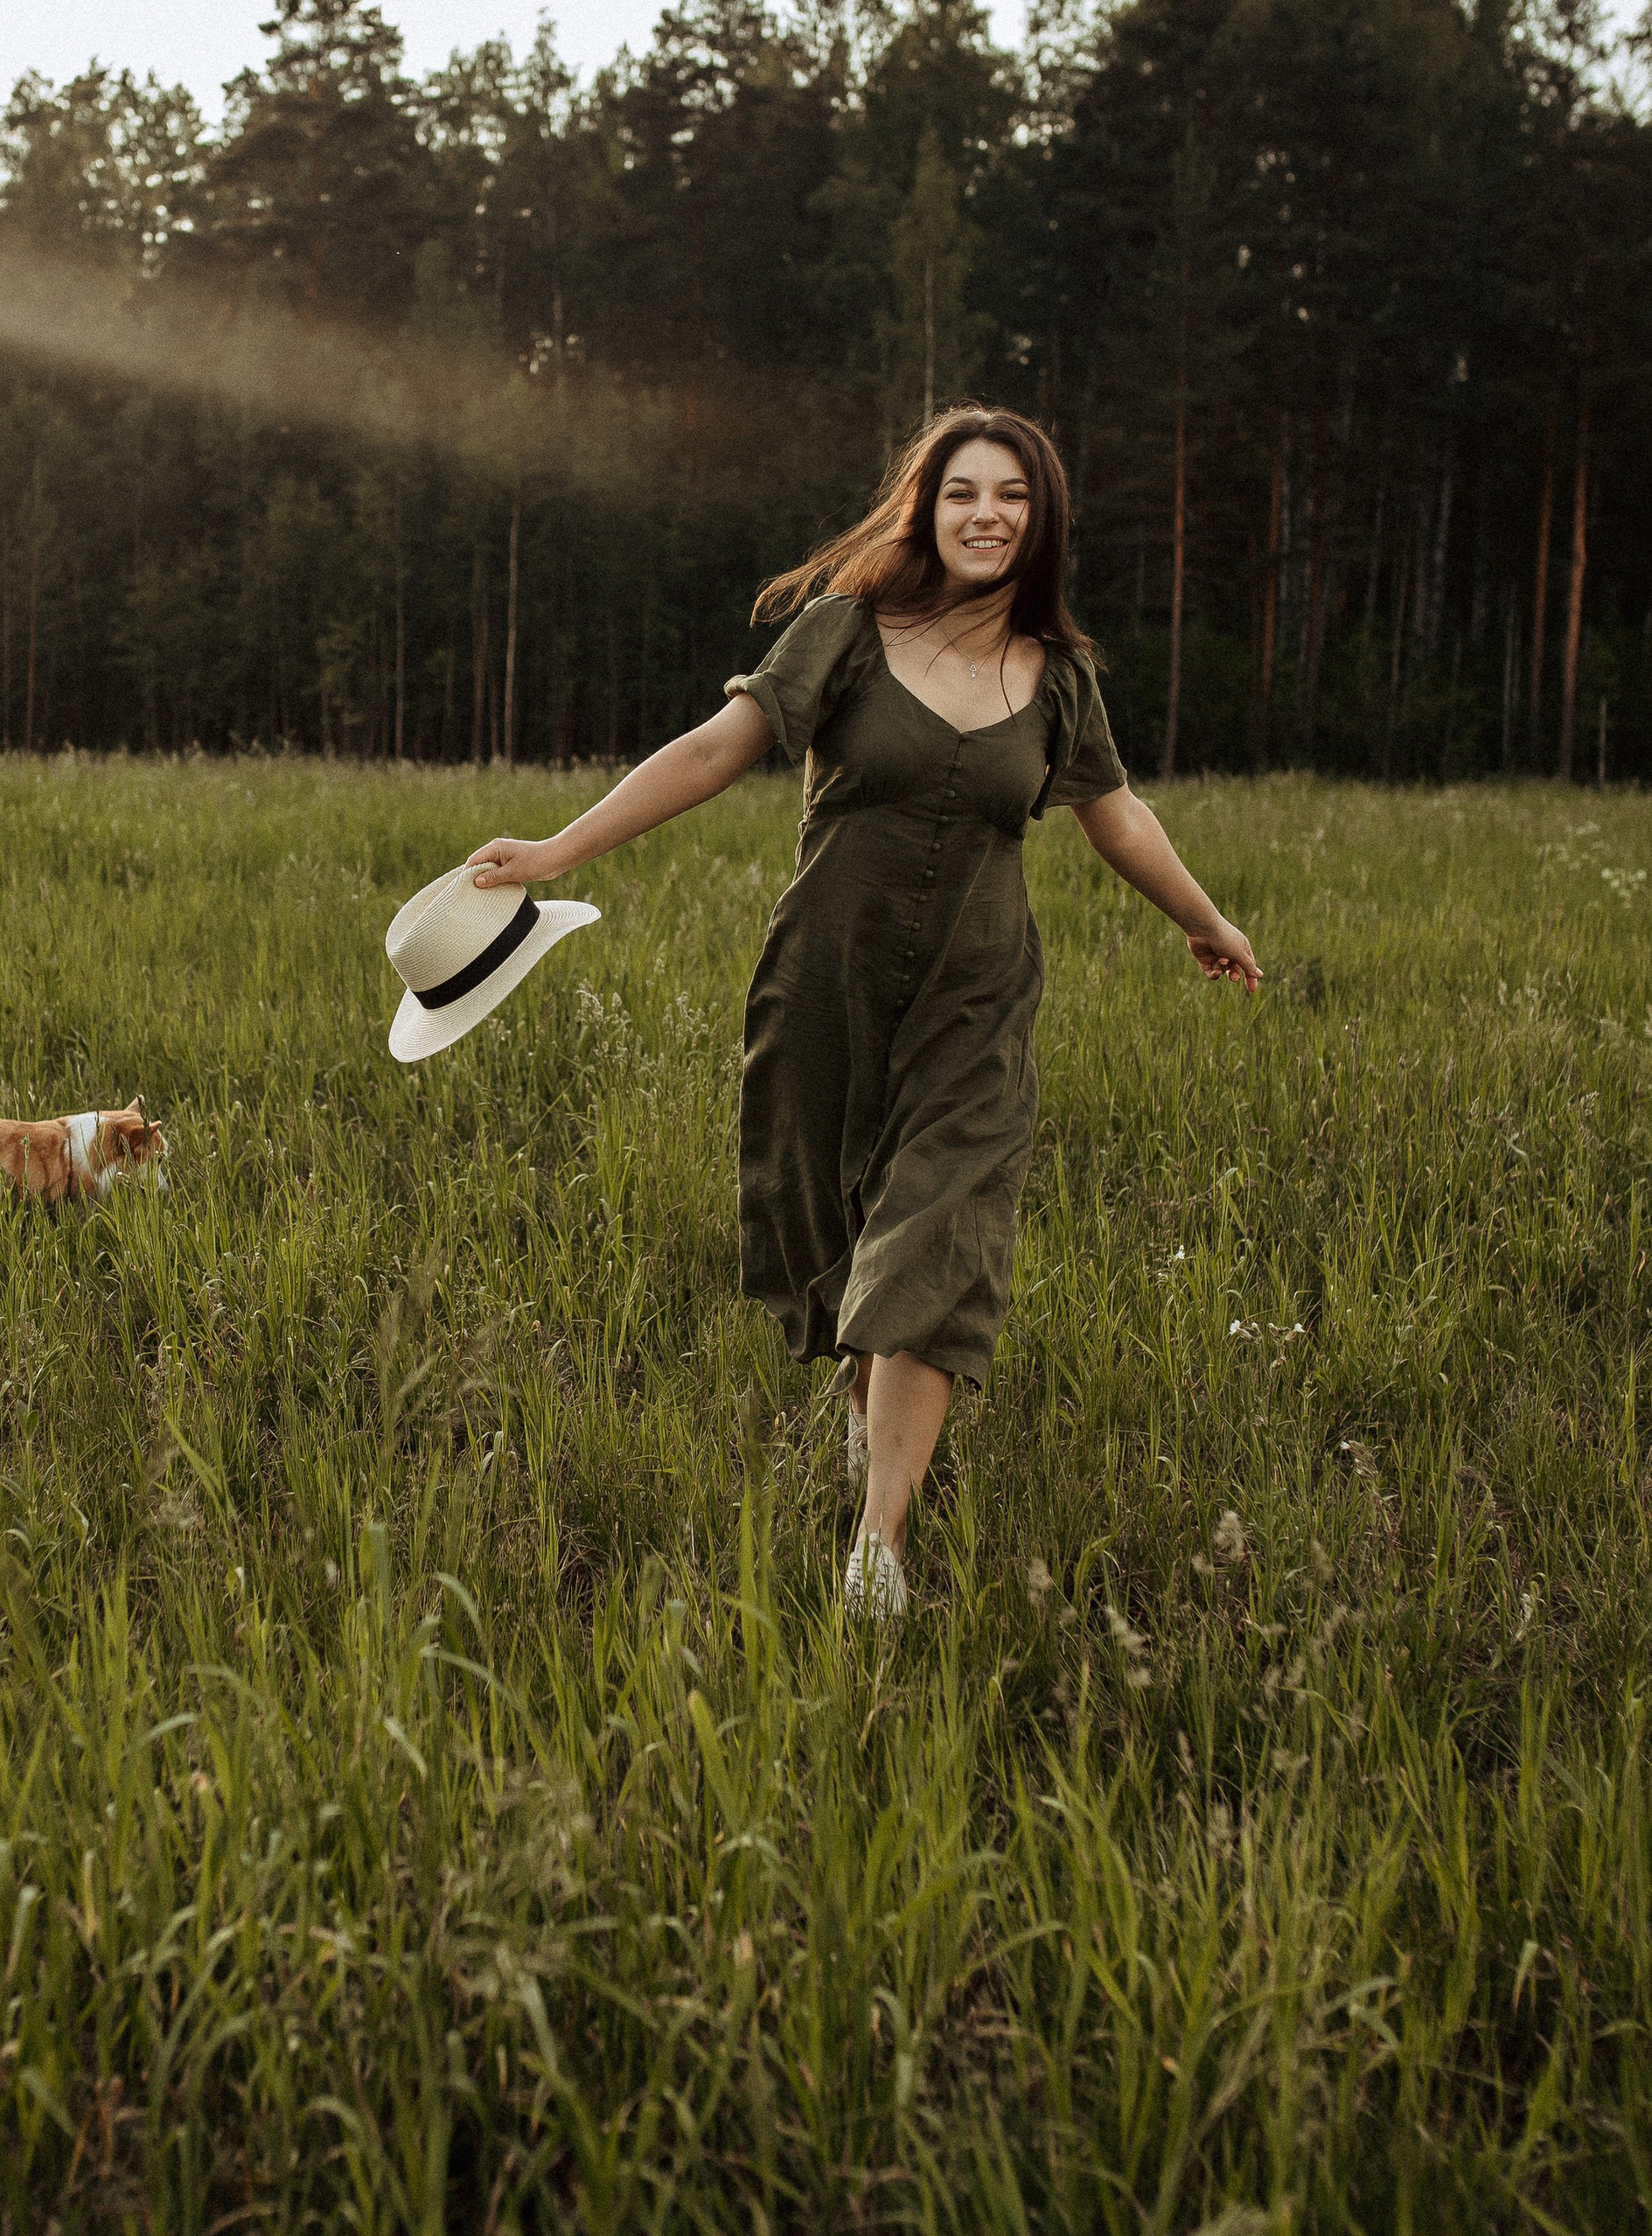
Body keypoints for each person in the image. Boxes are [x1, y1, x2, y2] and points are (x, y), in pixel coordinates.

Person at [467, 404, 1260, 1609]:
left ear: (1041, 522)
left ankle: (878, 1546)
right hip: (826, 983)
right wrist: (560, 849)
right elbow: (709, 751)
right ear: (927, 509)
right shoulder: (843, 629)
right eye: (962, 493)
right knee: (831, 1236)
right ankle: (865, 1415)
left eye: (1012, 497)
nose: (986, 514)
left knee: (934, 1242)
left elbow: (1118, 814)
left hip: (975, 1001)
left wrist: (1206, 917)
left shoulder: (1060, 679)